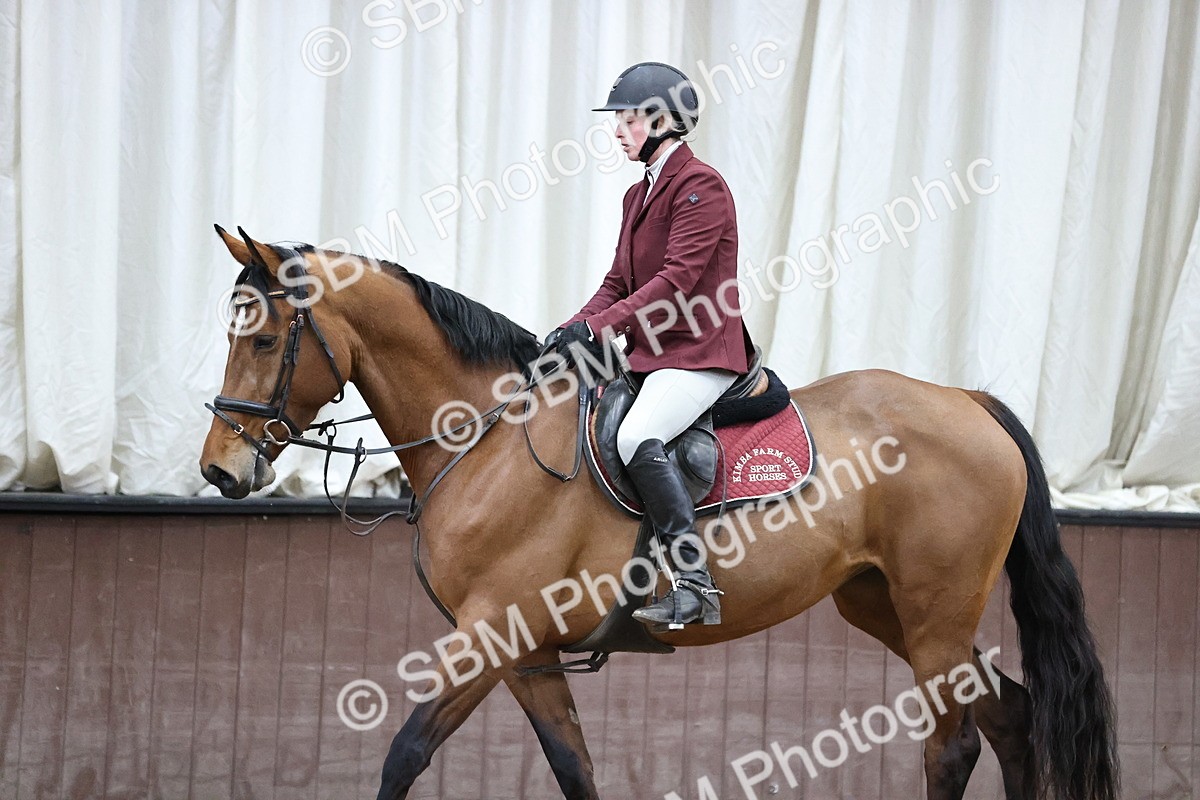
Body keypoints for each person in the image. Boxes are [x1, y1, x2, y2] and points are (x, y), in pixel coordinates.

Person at [548, 62, 756, 628]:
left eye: (628, 118)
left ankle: (695, 582)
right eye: (616, 119)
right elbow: (619, 282)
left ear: (663, 120)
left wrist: (600, 329)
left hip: (699, 352)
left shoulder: (701, 186)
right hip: (651, 353)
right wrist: (571, 327)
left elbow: (675, 284)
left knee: (639, 433)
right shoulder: (636, 196)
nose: (617, 130)